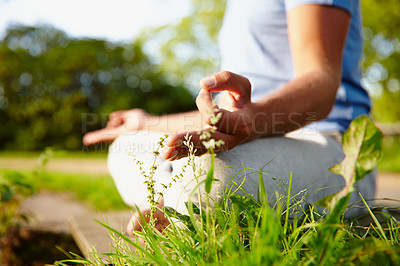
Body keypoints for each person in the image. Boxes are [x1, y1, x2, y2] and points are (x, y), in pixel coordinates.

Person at [83, 0, 375, 234]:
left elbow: (321, 81)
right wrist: (145, 123)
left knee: (214, 182)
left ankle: (174, 204)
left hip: (332, 143)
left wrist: (254, 118)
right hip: (256, 136)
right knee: (126, 147)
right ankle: (178, 206)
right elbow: (223, 120)